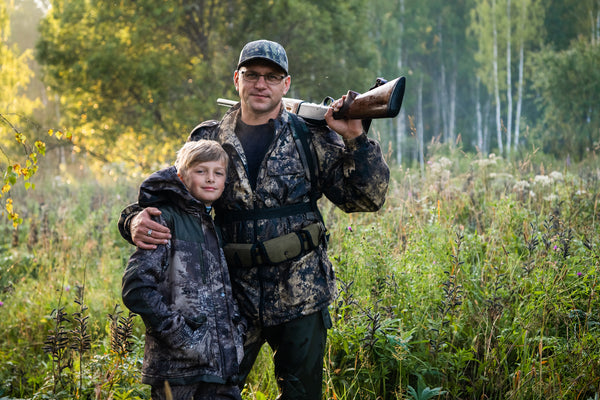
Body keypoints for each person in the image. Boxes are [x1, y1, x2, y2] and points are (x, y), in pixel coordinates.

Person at [119, 39, 390, 400]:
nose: (261, 84)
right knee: (213, 392)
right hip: (229, 297)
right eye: (252, 75)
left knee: (301, 395)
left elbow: (365, 199)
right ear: (237, 79)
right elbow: (170, 193)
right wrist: (134, 219)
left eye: (272, 77)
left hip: (301, 293)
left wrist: (356, 138)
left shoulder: (310, 136)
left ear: (286, 84)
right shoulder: (210, 138)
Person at [121, 140, 244, 400]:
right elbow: (136, 288)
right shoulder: (164, 220)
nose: (210, 179)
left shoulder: (213, 222)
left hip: (220, 369)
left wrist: (236, 331)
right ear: (181, 176)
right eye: (201, 171)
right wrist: (182, 336)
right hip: (178, 372)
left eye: (218, 173)